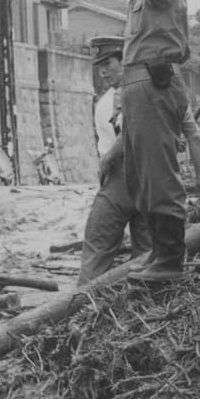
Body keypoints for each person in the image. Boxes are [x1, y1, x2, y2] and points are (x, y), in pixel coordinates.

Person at [110, 0, 198, 284]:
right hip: (137, 83)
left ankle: (171, 258)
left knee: (159, 172)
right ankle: (158, 254)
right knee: (142, 175)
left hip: (153, 81)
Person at [78, 35, 152, 287]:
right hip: (143, 180)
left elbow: (131, 134)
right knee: (144, 254)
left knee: (98, 248)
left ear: (124, 60)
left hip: (126, 176)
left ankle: (80, 306)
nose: (102, 71)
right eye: (98, 65)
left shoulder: (135, 93)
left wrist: (108, 160)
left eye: (107, 63)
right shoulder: (105, 103)